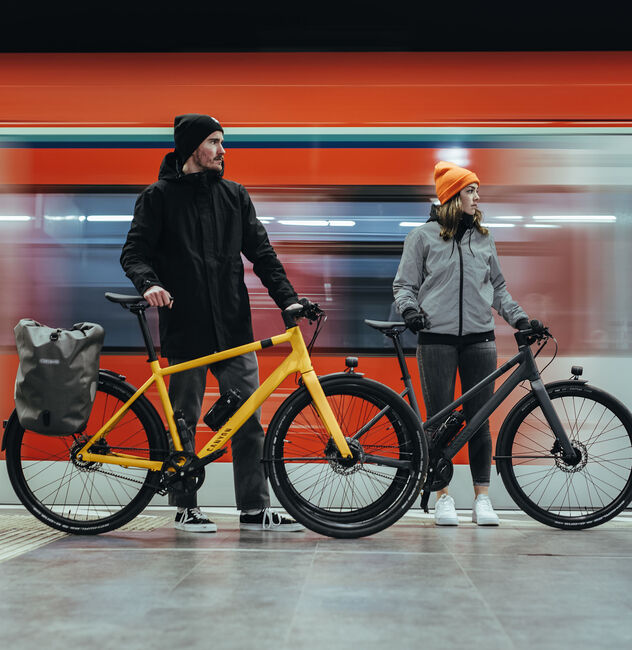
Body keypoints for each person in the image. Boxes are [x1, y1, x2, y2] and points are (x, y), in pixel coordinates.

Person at [121, 113, 304, 533]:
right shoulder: (158, 198)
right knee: (183, 420)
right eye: (215, 142)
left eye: (223, 142)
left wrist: (288, 301)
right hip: (185, 328)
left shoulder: (234, 196)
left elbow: (263, 256)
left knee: (248, 421)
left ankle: (254, 510)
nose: (223, 151)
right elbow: (133, 253)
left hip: (233, 329)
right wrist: (148, 283)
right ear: (192, 148)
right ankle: (185, 507)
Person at [393, 161, 530, 526]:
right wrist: (410, 311)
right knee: (438, 422)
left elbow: (497, 289)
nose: (477, 196)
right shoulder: (421, 238)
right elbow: (403, 286)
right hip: (435, 339)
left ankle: (482, 499)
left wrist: (519, 318)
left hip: (480, 339)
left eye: (477, 189)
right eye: (471, 190)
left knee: (479, 421)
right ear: (453, 196)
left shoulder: (483, 237)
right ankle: (442, 498)